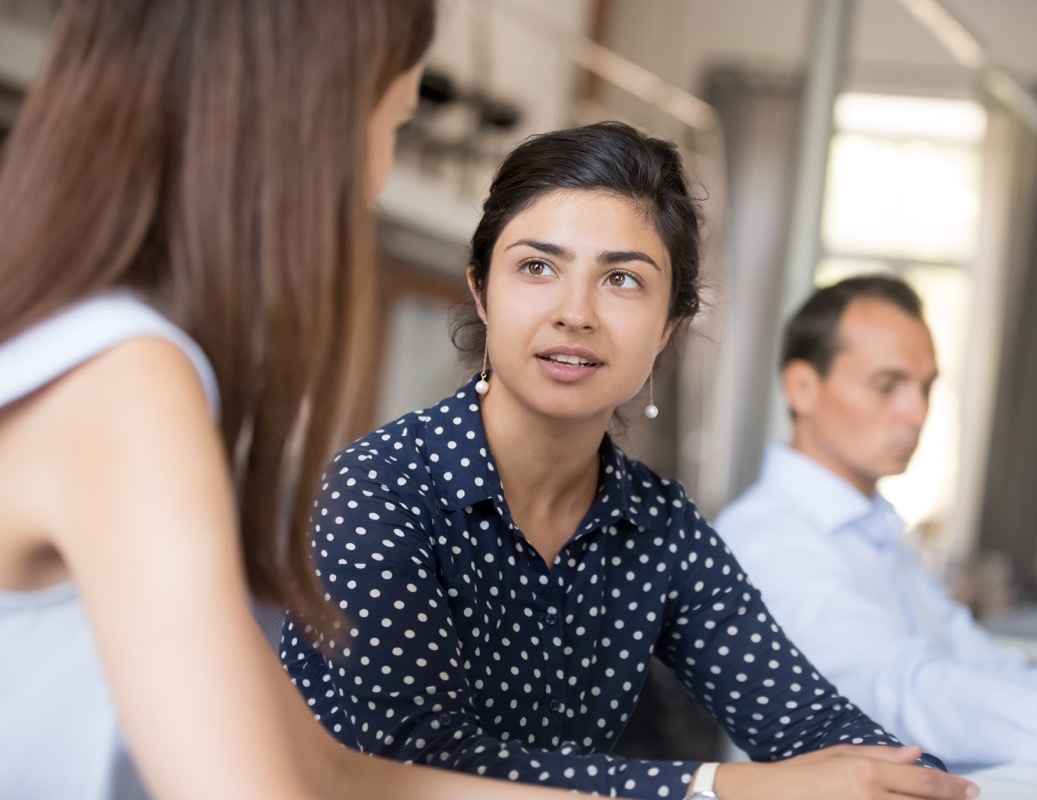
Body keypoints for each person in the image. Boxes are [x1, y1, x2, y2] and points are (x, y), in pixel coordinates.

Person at [279, 122, 979, 800]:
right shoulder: (379, 489)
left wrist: (915, 780)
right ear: (482, 292)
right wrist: (719, 785)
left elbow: (805, 720)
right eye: (537, 267)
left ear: (668, 327)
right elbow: (414, 759)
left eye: (621, 279)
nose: (575, 312)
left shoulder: (658, 525)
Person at [0, 2, 586, 798]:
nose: (376, 178)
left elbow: (326, 771)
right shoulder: (125, 385)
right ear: (310, 134)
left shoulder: (75, 342)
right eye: (392, 124)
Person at [714, 275, 1037, 772]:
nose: (918, 412)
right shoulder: (766, 538)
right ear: (802, 388)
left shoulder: (877, 532)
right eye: (888, 386)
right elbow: (900, 690)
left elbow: (979, 662)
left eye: (926, 388)